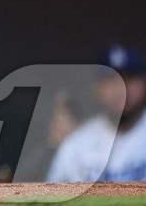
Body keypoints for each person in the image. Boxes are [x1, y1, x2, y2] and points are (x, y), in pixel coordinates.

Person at [47, 45, 146, 182]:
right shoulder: (75, 145)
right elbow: (52, 198)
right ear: (96, 88)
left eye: (130, 78)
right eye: (111, 79)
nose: (121, 88)